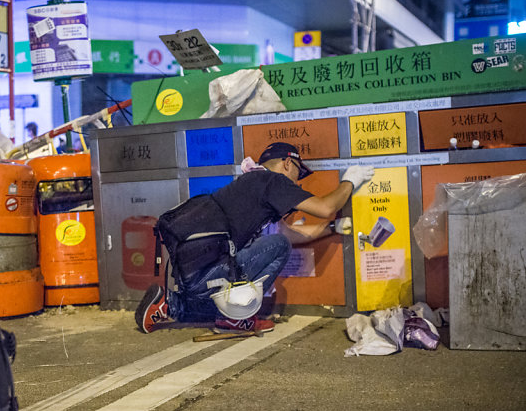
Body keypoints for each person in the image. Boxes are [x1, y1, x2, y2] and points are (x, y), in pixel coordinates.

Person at [136, 142, 373, 334]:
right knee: (278, 246)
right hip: (212, 269)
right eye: (298, 174)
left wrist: (332, 227)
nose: (297, 182)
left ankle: (169, 304)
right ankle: (238, 318)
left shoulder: (254, 183)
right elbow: (325, 207)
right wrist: (349, 181)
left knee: (278, 243)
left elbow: (290, 233)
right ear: (287, 164)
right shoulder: (273, 181)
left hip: (196, 271)